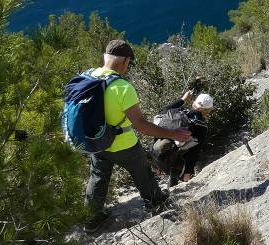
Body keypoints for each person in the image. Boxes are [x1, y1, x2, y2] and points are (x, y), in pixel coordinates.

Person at [82, 40, 192, 233]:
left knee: (98, 176)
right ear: (125, 61)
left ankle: (92, 218)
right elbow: (141, 126)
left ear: (105, 57)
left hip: (96, 141)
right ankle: (155, 202)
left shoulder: (87, 77)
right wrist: (173, 133)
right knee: (141, 170)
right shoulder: (123, 88)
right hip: (123, 144)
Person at [152, 89, 215, 186]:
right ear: (207, 110)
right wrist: (187, 173)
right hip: (170, 163)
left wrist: (183, 99)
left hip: (154, 152)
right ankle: (175, 180)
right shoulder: (201, 127)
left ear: (194, 103)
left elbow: (162, 111)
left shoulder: (179, 111)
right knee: (187, 152)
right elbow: (195, 152)